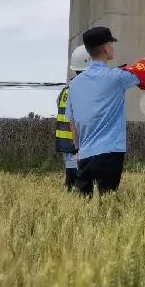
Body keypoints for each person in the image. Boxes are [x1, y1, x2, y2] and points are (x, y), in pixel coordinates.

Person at [66, 26, 145, 197]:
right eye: (111, 44)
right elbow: (142, 67)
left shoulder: (74, 85)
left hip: (84, 156)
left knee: (83, 209)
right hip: (110, 153)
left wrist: (78, 151)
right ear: (106, 48)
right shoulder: (116, 77)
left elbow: (73, 124)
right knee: (108, 203)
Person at [55, 44, 91, 190]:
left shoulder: (65, 90)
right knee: (74, 174)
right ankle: (71, 191)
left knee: (71, 167)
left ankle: (70, 191)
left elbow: (60, 106)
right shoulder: (80, 90)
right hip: (74, 138)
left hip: (63, 138)